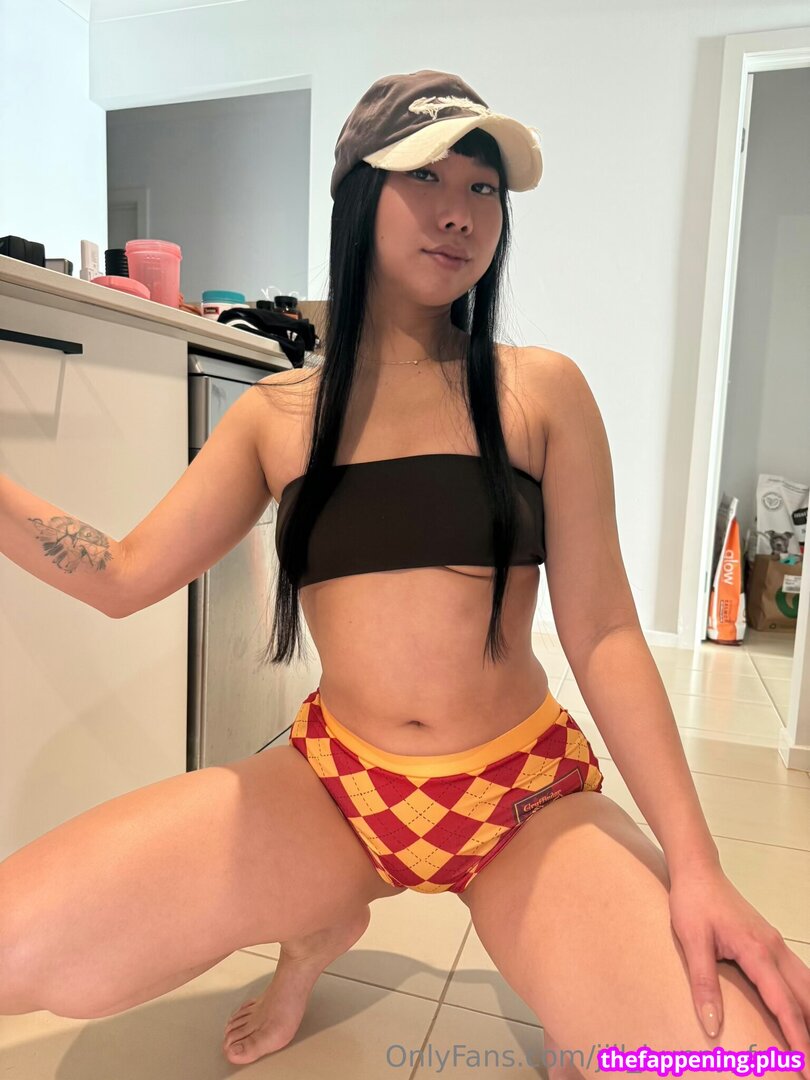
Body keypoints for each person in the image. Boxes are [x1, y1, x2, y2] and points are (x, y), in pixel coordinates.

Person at [0, 68, 808, 1079]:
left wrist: (697, 867)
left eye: (483, 188)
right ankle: (318, 926)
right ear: (358, 195)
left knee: (748, 1064)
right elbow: (120, 574)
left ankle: (482, 957)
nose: (459, 211)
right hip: (336, 788)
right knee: (18, 944)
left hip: (518, 796)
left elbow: (603, 633)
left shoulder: (539, 392)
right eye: (425, 175)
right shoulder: (276, 417)